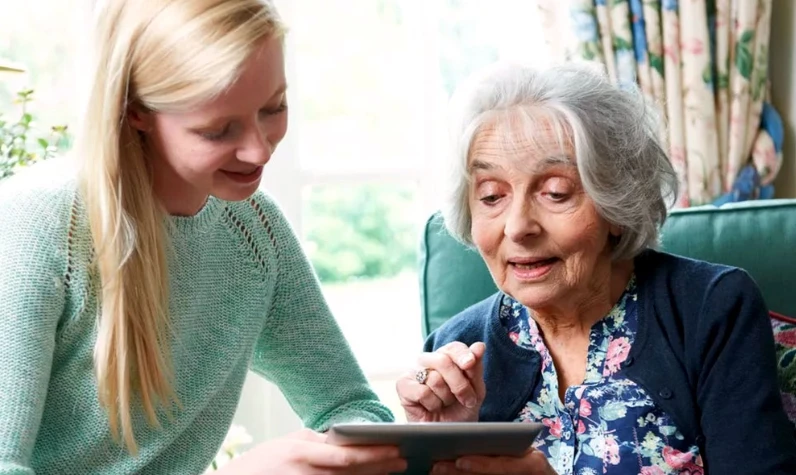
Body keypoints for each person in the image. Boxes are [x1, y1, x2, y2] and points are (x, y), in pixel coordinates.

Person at [0, 1, 407, 474]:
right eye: (217, 129)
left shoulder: (254, 232)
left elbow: (350, 408)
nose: (259, 148)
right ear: (136, 113)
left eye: (274, 107)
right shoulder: (37, 229)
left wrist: (343, 453)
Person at [396, 62, 796, 475]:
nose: (517, 227)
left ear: (617, 204)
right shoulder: (454, 346)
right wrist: (440, 451)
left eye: (555, 192)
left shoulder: (711, 309)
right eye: (492, 196)